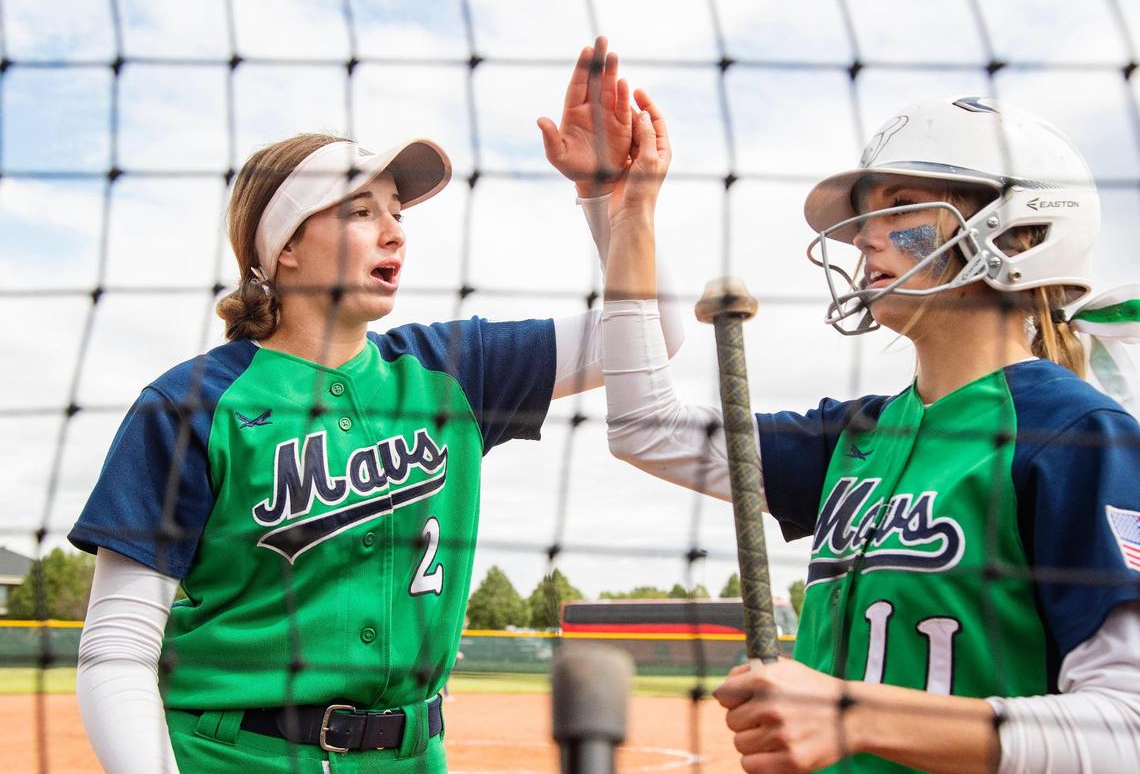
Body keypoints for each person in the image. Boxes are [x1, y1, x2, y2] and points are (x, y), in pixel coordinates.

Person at [68, 37, 683, 773]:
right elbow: (116, 647)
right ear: (284, 248)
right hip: (238, 759)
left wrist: (611, 203)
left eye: (396, 210)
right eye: (361, 210)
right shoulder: (190, 403)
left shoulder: (450, 370)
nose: (394, 229)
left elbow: (651, 338)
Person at [598, 95, 1140, 772]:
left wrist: (854, 717)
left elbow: (1127, 728)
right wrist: (627, 216)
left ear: (1013, 231)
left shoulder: (1076, 434)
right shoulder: (853, 437)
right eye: (867, 214)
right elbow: (644, 428)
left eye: (901, 205)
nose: (863, 237)